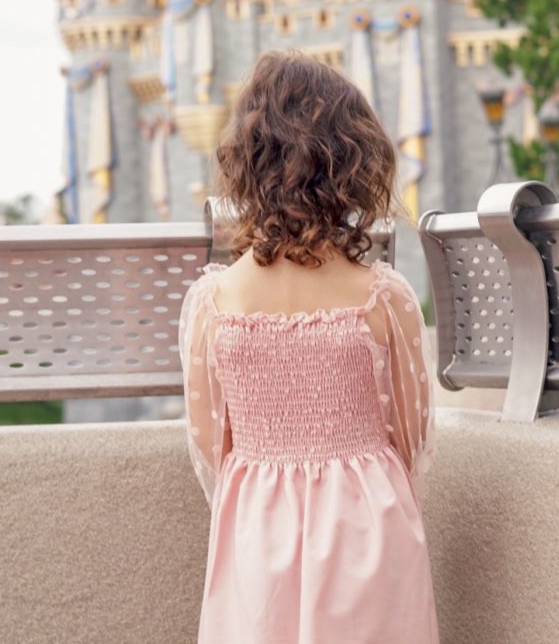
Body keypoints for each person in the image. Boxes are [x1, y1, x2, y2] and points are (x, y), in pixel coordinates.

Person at [178, 47, 439, 643]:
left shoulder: (214, 302)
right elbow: (413, 437)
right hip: (368, 519)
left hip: (255, 521)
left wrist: (266, 478)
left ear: (247, 164)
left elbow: (209, 442)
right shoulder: (383, 297)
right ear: (354, 164)